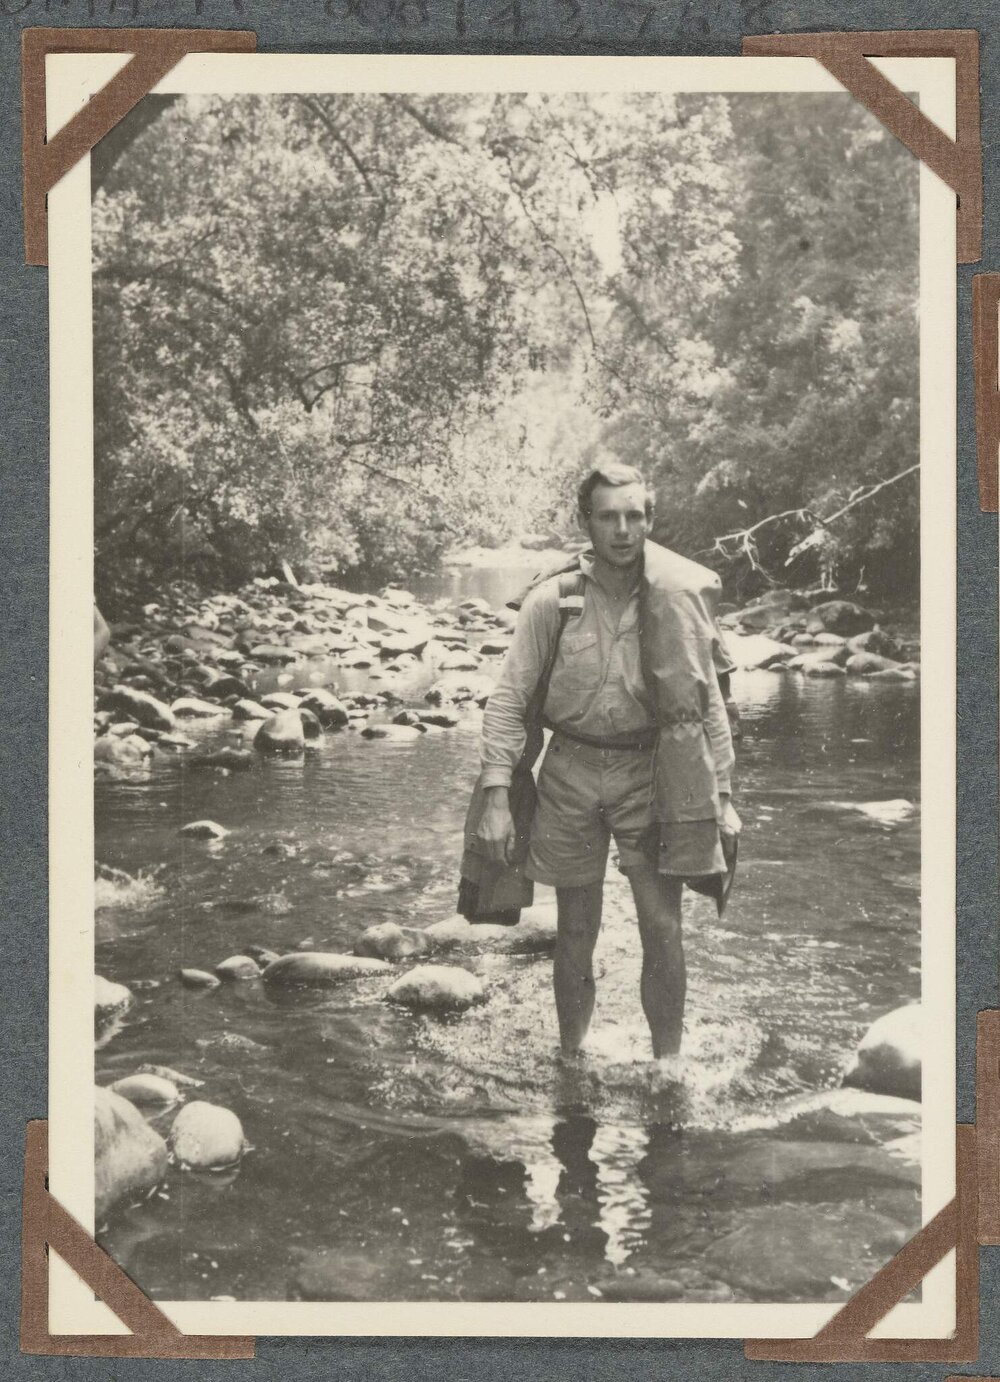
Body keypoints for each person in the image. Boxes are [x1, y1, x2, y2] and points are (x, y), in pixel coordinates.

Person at [476, 463, 740, 1065]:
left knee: (662, 926)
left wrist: (722, 797)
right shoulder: (553, 600)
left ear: (650, 520)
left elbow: (707, 706)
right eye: (608, 516)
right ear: (585, 522)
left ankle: (666, 1066)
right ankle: (571, 1059)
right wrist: (496, 795)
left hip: (652, 773)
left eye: (634, 516)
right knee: (574, 929)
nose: (622, 530)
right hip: (567, 772)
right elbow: (509, 699)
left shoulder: (677, 599)